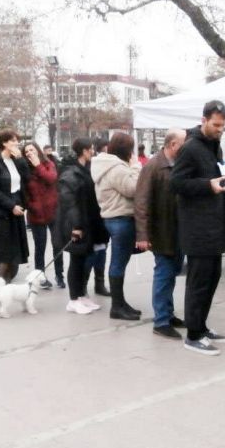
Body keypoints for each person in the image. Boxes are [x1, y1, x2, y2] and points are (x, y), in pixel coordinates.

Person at [170, 100, 225, 355]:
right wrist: (209, 185)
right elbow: (177, 183)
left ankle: (201, 326)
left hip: (214, 226)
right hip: (198, 230)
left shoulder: (214, 147)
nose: (220, 129)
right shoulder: (191, 147)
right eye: (216, 125)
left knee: (212, 279)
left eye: (223, 125)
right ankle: (193, 335)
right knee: (198, 282)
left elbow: (214, 176)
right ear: (204, 119)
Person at [134, 128, 186, 338]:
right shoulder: (153, 166)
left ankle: (168, 313)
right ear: (173, 145)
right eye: (183, 143)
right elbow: (141, 202)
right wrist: (143, 236)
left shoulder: (177, 165)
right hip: (161, 231)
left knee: (171, 274)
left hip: (177, 230)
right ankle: (161, 321)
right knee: (164, 275)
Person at [92, 132, 142, 320]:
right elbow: (132, 189)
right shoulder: (115, 168)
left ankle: (120, 303)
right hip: (120, 218)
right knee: (119, 263)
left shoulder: (104, 164)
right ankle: (117, 307)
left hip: (113, 218)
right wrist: (136, 166)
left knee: (119, 261)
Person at [54, 138, 105, 314]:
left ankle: (81, 295)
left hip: (87, 221)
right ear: (84, 151)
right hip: (76, 224)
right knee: (76, 261)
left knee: (83, 260)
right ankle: (73, 299)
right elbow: (69, 202)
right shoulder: (70, 173)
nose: (93, 152)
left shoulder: (84, 170)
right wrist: (76, 225)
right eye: (91, 149)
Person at [0, 130, 30, 282]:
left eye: (17, 140)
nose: (17, 144)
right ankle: (1, 284)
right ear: (4, 143)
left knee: (15, 253)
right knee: (5, 253)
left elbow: (26, 179)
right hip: (3, 211)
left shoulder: (15, 160)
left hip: (16, 207)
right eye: (13, 141)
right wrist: (11, 206)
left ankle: (9, 282)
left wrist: (21, 159)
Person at [22, 141, 64, 289]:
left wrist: (38, 165)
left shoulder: (48, 164)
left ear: (38, 151)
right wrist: (30, 205)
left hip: (53, 211)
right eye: (26, 152)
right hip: (36, 214)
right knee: (40, 247)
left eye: (32, 150)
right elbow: (24, 192)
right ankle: (41, 277)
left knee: (57, 244)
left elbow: (51, 179)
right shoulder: (25, 170)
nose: (29, 154)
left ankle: (60, 275)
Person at [84, 137, 110, 297]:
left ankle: (99, 283)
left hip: (103, 213)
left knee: (102, 251)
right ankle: (84, 284)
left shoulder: (108, 165)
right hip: (92, 214)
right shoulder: (90, 167)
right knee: (92, 252)